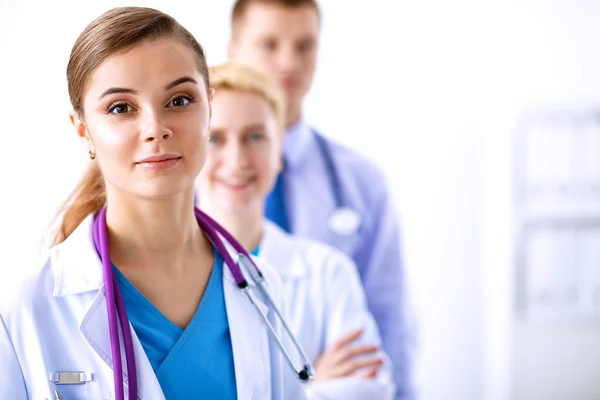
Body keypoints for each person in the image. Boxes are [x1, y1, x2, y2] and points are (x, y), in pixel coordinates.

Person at [0, 7, 308, 400]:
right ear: (83, 131)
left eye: (179, 100)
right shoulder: (26, 308)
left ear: (209, 108)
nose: (155, 129)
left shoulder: (261, 287)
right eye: (121, 108)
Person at [226, 0, 414, 397]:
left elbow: (387, 320)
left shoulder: (360, 182)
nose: (289, 62)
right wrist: (307, 386)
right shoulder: (191, 179)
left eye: (304, 45)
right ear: (234, 49)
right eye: (269, 44)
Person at [197, 62, 396, 399]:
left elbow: (369, 390)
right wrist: (310, 389)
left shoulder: (328, 273)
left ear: (279, 153)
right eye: (215, 138)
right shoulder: (156, 275)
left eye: (256, 136)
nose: (237, 160)